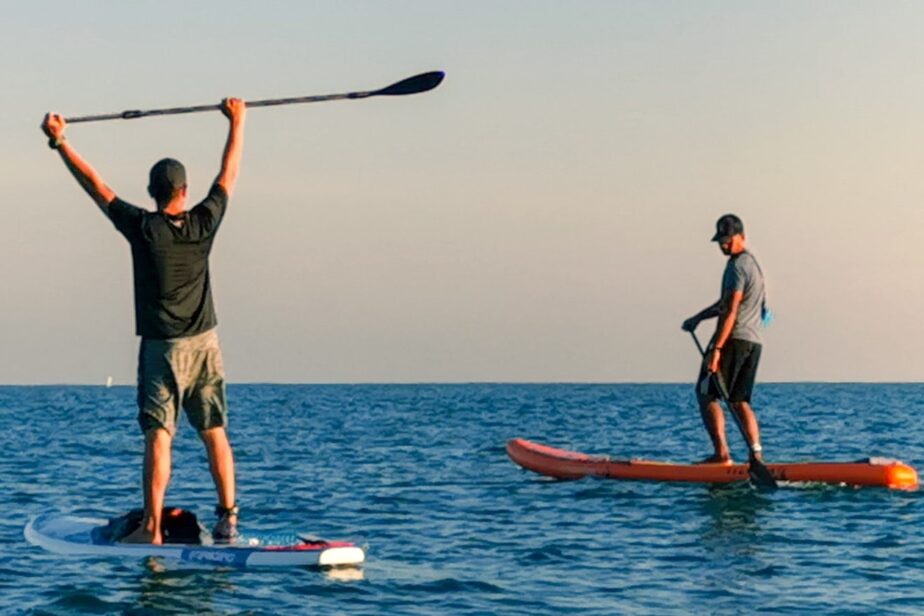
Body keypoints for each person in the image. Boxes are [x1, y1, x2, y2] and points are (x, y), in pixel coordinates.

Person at [41, 98, 246, 544]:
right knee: (214, 432)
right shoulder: (203, 222)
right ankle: (228, 520)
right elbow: (228, 174)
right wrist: (237, 121)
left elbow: (96, 186)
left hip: (162, 348)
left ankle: (152, 529)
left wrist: (60, 143)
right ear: (184, 191)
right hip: (206, 344)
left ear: (153, 192)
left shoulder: (142, 228)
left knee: (159, 436)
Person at [682, 214, 767, 466]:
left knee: (706, 394)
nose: (724, 245)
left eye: (728, 240)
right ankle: (756, 456)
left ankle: (722, 455)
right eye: (721, 241)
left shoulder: (737, 266)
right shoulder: (753, 265)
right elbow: (727, 303)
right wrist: (699, 317)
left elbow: (730, 310)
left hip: (733, 341)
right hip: (753, 342)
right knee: (739, 400)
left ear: (742, 237)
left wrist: (717, 349)